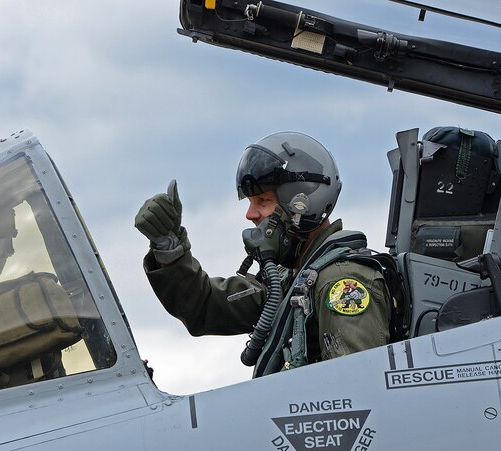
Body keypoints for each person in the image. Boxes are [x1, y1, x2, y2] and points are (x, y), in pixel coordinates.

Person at [135, 131, 393, 377]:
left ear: (300, 206)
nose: (250, 214)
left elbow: (357, 391)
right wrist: (170, 249)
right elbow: (205, 307)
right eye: (250, 202)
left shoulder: (342, 284)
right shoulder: (291, 280)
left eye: (262, 201)